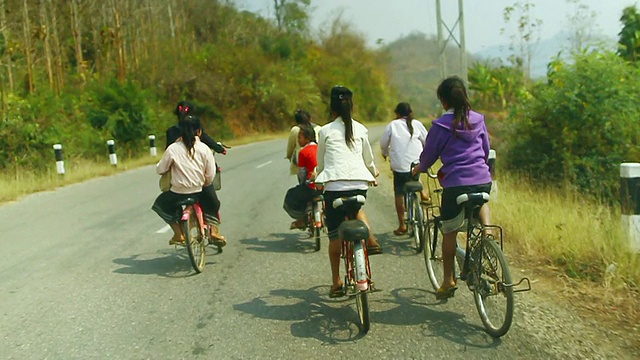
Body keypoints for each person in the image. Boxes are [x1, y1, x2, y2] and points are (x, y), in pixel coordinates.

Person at [412, 76, 492, 300]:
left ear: (444, 102)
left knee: (449, 231)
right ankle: (488, 229)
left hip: (456, 185)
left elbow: (429, 157)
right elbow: (485, 149)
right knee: (482, 199)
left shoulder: (440, 125)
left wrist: (419, 168)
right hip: (483, 178)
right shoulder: (478, 119)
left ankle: (448, 280)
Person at [315, 85, 382, 298]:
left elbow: (321, 163)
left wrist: (319, 179)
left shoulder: (324, 131)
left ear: (331, 108)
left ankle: (336, 282)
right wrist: (373, 173)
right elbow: (368, 160)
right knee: (356, 208)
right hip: (360, 186)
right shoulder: (361, 129)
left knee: (334, 236)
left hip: (333, 188)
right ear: (351, 106)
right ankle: (368, 240)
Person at [152, 115, 226, 247]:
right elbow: (210, 174)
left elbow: (160, 169)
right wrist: (206, 184)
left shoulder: (173, 149)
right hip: (200, 189)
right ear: (199, 131)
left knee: (161, 204)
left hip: (178, 192)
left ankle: (178, 234)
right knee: (213, 203)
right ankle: (214, 231)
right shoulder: (204, 149)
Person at [380, 102, 430, 235]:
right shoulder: (417, 124)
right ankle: (422, 192)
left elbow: (383, 143)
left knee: (399, 193)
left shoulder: (392, 125)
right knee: (414, 174)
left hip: (399, 167)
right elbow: (427, 141)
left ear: (397, 114)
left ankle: (402, 225)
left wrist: (384, 153)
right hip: (416, 164)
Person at [283, 123, 319, 229]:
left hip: (312, 187)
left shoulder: (303, 152)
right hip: (326, 186)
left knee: (291, 196)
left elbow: (302, 173)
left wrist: (304, 184)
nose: (298, 140)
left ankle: (302, 219)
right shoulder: (322, 148)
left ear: (307, 138)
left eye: (299, 137)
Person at [285, 109, 321, 176]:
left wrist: (289, 156)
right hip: (318, 160)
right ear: (310, 119)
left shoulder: (295, 130)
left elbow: (290, 147)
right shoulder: (318, 128)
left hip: (301, 162)